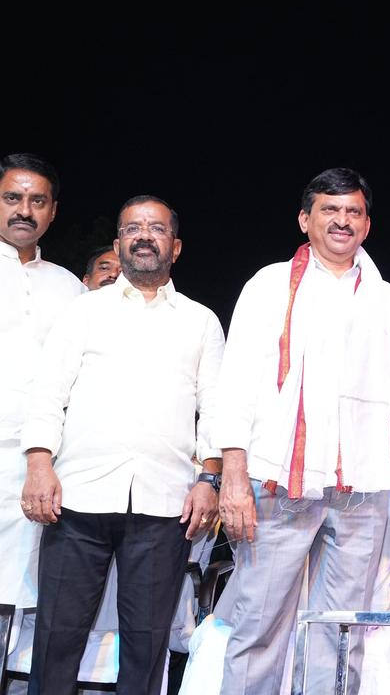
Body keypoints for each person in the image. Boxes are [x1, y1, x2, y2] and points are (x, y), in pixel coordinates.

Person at [211, 169, 390, 694]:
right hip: (277, 484)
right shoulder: (269, 285)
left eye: (353, 212)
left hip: (359, 488)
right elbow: (236, 385)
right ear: (305, 219)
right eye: (329, 210)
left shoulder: (384, 298)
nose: (341, 220)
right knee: (260, 625)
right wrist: (234, 479)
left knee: (342, 630)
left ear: (367, 224)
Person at [21, 195, 223, 693]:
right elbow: (48, 393)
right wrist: (39, 464)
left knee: (146, 644)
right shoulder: (84, 311)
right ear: (119, 243)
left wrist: (209, 478)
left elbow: (216, 411)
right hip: (78, 498)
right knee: (57, 637)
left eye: (156, 228)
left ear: (175, 247)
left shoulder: (200, 320)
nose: (144, 235)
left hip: (164, 504)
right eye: (133, 228)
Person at [0, 153, 84, 622]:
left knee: (24, 600)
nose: (24, 211)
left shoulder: (69, 288)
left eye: (38, 201)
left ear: (52, 212)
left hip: (41, 466)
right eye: (12, 198)